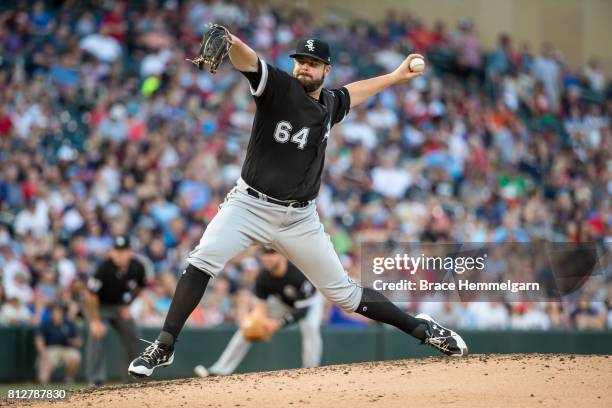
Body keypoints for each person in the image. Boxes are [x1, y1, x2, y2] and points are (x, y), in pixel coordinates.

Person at [129, 31, 467, 378]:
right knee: (202, 261)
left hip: (299, 219)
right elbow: (250, 64)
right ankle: (164, 346)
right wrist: (232, 43)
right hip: (249, 206)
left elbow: (353, 93)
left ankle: (423, 330)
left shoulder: (330, 104)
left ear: (326, 70)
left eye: (312, 63)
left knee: (346, 296)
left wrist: (396, 77)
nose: (304, 68)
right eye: (300, 61)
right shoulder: (277, 87)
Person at [194, 248, 324, 377]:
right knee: (247, 327)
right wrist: (260, 320)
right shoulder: (263, 277)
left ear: (283, 256)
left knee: (310, 326)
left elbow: (302, 311)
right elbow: (261, 307)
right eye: (265, 254)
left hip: (310, 303)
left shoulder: (298, 273)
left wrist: (278, 324)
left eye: (272, 254)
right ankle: (219, 370)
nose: (267, 258)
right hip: (283, 304)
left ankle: (310, 370)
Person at [87, 234, 146, 385]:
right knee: (97, 334)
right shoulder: (103, 267)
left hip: (120, 306)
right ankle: (96, 379)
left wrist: (128, 304)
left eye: (124, 251)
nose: (120, 254)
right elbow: (92, 295)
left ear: (130, 252)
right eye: (117, 251)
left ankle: (133, 377)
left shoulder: (137, 267)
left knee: (134, 335)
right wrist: (94, 321)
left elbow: (140, 287)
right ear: (111, 252)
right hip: (100, 306)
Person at [35, 302, 82, 384]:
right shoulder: (45, 324)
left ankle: (69, 378)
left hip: (66, 348)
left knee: (75, 356)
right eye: (54, 311)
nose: (56, 313)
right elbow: (39, 339)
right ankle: (45, 384)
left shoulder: (69, 323)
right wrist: (43, 352)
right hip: (51, 349)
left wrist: (72, 341)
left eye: (58, 311)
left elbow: (79, 341)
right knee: (43, 378)